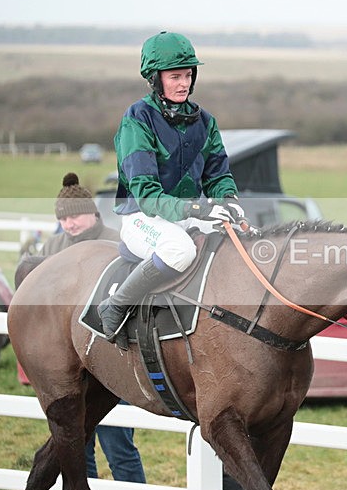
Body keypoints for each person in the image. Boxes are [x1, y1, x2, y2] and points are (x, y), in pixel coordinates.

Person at [98, 31, 244, 342]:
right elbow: (148, 197)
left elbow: (217, 174)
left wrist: (228, 200)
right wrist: (200, 208)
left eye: (188, 75)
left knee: (241, 241)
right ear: (155, 79)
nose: (183, 84)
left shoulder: (206, 121)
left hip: (184, 215)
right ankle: (116, 306)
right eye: (175, 76)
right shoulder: (137, 120)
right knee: (180, 250)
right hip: (142, 217)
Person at [23, 173, 150, 490]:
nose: (69, 223)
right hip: (67, 362)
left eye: (75, 214)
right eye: (62, 218)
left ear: (93, 212)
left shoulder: (116, 243)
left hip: (110, 360)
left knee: (120, 445)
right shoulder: (52, 248)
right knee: (76, 447)